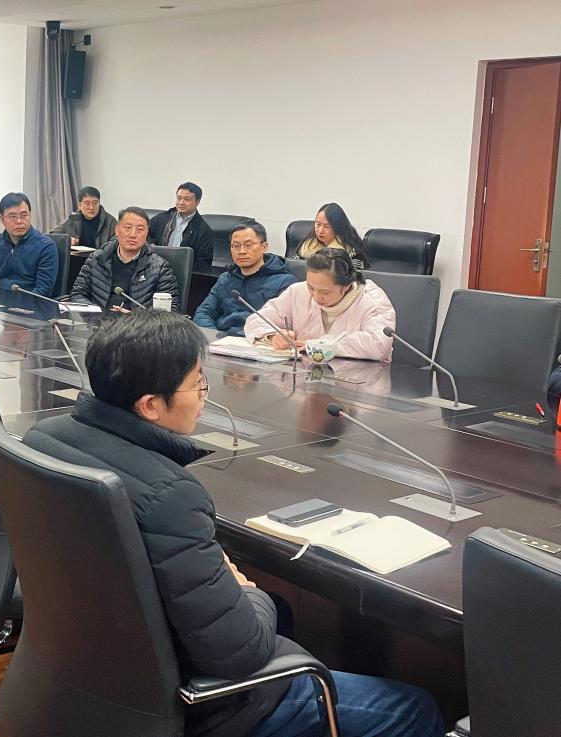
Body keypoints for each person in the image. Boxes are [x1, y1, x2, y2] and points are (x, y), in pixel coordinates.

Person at [22, 310, 446, 737]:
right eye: (197, 383)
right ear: (149, 405)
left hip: (88, 668)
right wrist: (246, 589)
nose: (204, 394)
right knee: (415, 707)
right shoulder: (170, 497)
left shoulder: (45, 437)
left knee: (280, 613)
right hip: (195, 706)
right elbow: (239, 654)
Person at [244, 248, 395, 361]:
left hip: (360, 380)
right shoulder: (298, 292)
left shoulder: (372, 301)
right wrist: (273, 336)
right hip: (305, 376)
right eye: (311, 287)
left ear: (347, 286)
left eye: (324, 292)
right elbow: (256, 320)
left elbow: (378, 344)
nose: (315, 297)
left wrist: (321, 344)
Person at [194, 219, 297, 336]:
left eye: (248, 245)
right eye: (236, 246)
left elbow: (284, 324)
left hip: (257, 340)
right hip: (221, 338)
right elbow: (204, 313)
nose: (242, 251)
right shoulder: (225, 278)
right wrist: (214, 335)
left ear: (264, 246)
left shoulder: (284, 282)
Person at [69, 206, 180, 312]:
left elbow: (170, 310)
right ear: (117, 230)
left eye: (140, 229)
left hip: (137, 324)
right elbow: (78, 294)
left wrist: (134, 317)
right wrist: (98, 313)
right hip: (97, 321)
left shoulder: (160, 268)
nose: (133, 234)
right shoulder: (97, 259)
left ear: (146, 234)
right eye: (127, 228)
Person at [0, 192, 59, 297]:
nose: (19, 221)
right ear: (2, 219)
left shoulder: (46, 247)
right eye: (12, 216)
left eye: (24, 215)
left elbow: (43, 291)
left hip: (31, 304)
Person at [147, 181, 214, 272]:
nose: (181, 203)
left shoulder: (203, 230)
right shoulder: (163, 218)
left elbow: (204, 264)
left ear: (197, 202)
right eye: (179, 198)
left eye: (187, 199)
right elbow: (145, 235)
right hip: (156, 268)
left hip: (183, 272)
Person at [297, 202, 370, 269]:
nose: (320, 231)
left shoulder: (352, 253)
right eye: (318, 224)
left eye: (327, 226)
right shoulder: (307, 247)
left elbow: (356, 277)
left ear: (337, 227)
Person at [51, 185, 117, 249]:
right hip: (75, 256)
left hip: (101, 256)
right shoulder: (73, 219)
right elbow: (52, 236)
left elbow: (116, 243)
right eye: (87, 203)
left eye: (95, 203)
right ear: (79, 205)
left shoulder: (111, 222)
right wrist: (67, 240)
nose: (91, 207)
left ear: (99, 203)